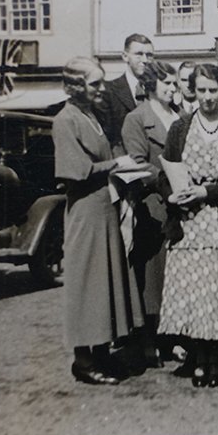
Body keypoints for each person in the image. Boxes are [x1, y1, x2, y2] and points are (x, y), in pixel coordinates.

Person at [52, 57, 146, 385]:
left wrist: (118, 165)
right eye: (94, 84)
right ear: (76, 86)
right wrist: (115, 165)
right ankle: (83, 360)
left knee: (104, 282)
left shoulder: (89, 114)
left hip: (103, 208)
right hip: (85, 212)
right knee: (86, 285)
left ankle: (102, 353)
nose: (101, 89)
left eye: (102, 83)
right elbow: (74, 173)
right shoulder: (65, 120)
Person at [158, 64, 218, 387]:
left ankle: (216, 362)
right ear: (193, 91)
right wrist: (173, 195)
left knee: (217, 298)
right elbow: (164, 174)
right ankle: (197, 359)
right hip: (189, 227)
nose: (208, 97)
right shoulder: (179, 128)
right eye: (201, 90)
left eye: (214, 91)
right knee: (196, 298)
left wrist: (208, 191)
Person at [121, 60, 182, 367]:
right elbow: (136, 163)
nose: (173, 89)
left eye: (175, 84)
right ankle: (148, 342)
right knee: (151, 279)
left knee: (176, 275)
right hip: (153, 205)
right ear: (150, 86)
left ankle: (171, 339)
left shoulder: (180, 116)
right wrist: (166, 180)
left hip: (182, 206)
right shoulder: (137, 119)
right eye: (167, 84)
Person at [99, 33, 154, 154]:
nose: (145, 60)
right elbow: (107, 137)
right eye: (138, 54)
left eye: (149, 55)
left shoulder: (158, 92)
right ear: (125, 56)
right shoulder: (109, 91)